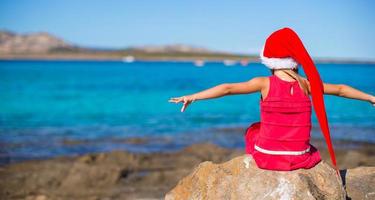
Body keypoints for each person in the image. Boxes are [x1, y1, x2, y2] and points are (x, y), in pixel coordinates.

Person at [169, 27, 375, 171]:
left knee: (253, 130)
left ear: (270, 61)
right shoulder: (306, 84)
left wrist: (192, 97)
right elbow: (340, 89)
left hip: (268, 157)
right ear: (295, 61)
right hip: (299, 156)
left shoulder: (264, 83)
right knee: (300, 141)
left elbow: (227, 88)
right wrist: (370, 98)